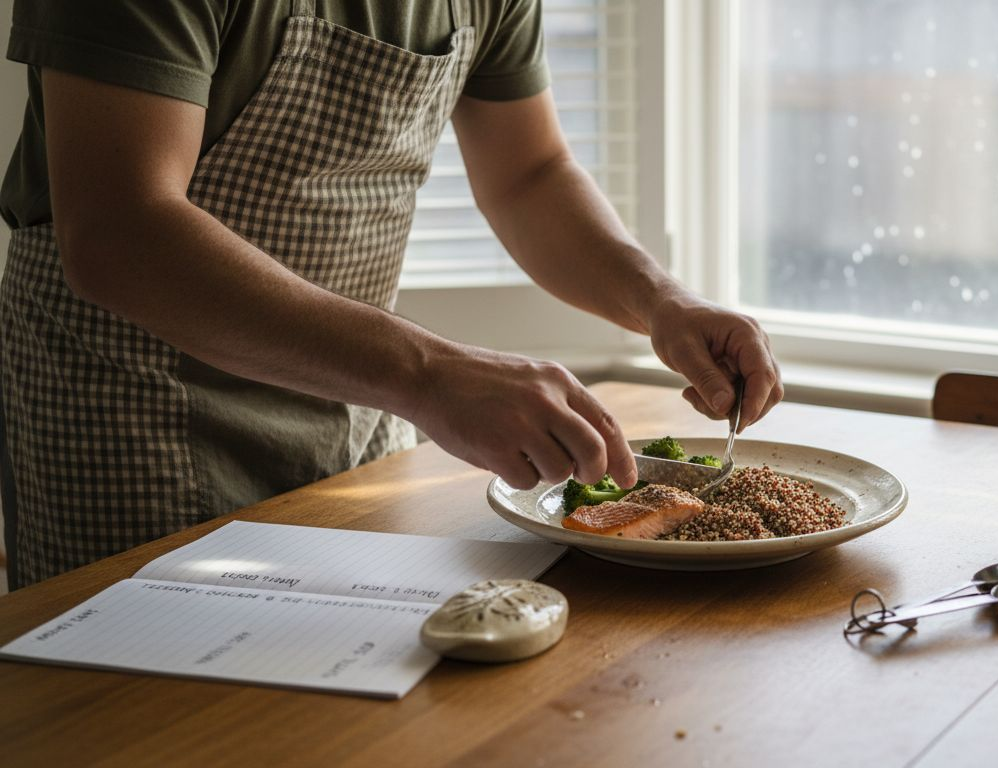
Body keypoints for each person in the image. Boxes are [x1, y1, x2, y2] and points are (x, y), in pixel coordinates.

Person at [0, 0, 783, 588]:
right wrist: (432, 374)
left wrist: (661, 301)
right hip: (133, 413)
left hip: (358, 409)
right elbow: (120, 230)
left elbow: (529, 175)